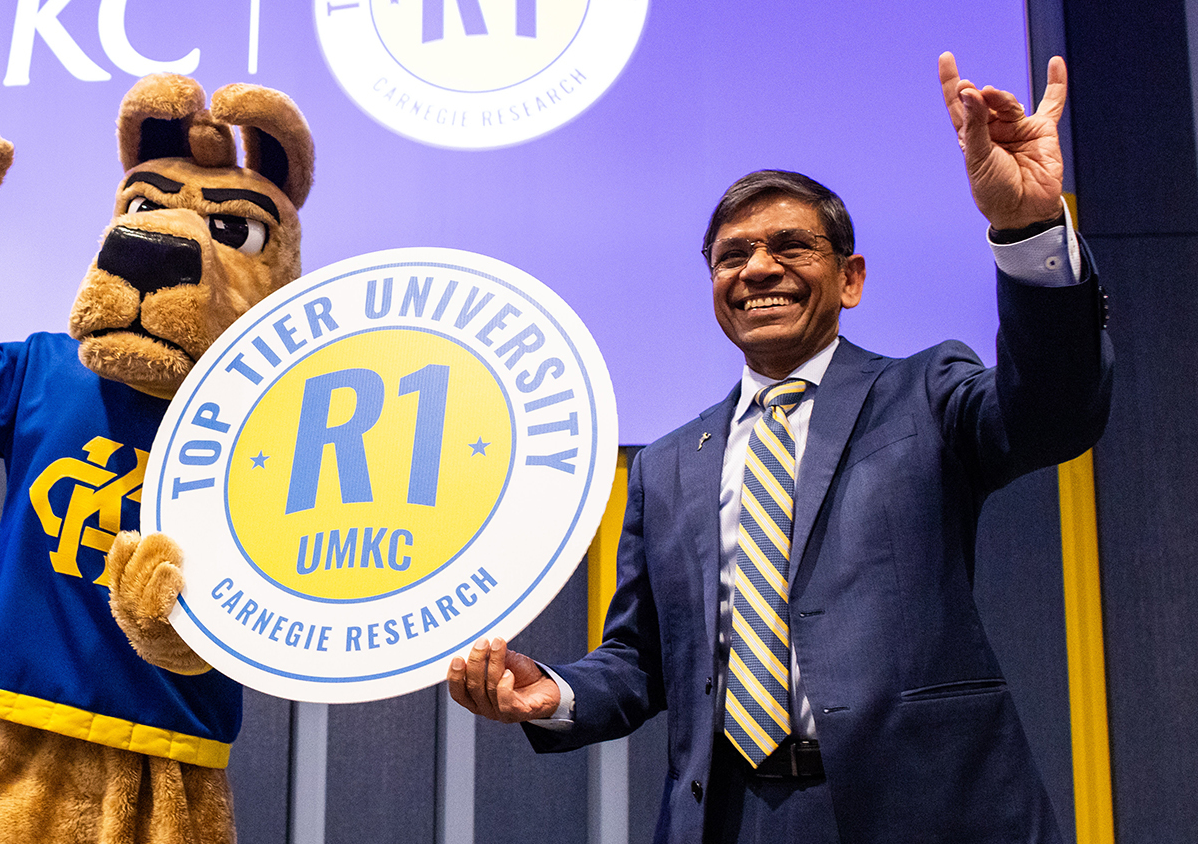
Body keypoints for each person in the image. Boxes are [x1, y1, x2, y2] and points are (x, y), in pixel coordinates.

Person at [446, 53, 1112, 843]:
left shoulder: (926, 391)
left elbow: (1056, 413)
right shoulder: (666, 463)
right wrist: (552, 691)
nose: (759, 266)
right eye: (733, 255)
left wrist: (1028, 226)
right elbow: (644, 658)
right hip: (732, 819)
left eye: (791, 246)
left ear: (851, 277)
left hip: (923, 811)